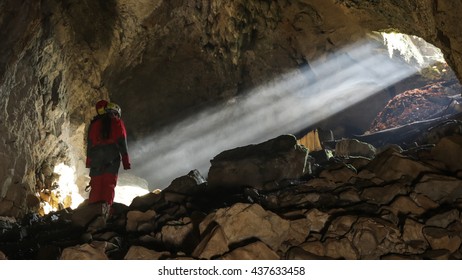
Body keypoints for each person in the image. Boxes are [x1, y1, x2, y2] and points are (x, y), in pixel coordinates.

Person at [85, 100, 131, 208]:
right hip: (112, 157)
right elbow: (122, 143)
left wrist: (89, 162)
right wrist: (126, 162)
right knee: (108, 186)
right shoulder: (118, 122)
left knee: (96, 186)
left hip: (96, 158)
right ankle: (106, 212)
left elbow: (90, 144)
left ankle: (92, 213)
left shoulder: (94, 124)